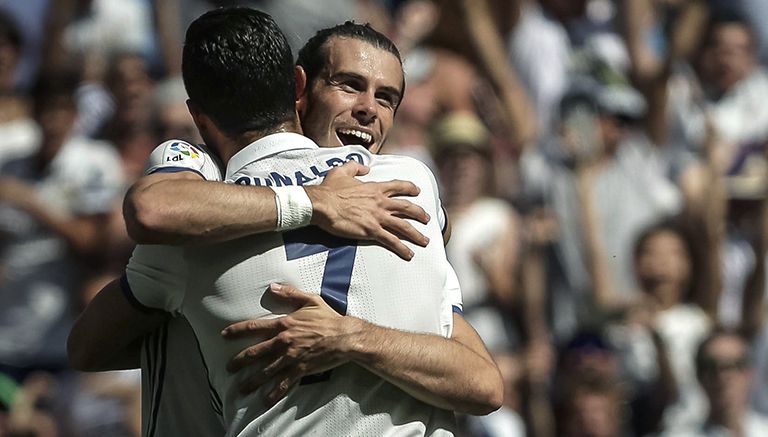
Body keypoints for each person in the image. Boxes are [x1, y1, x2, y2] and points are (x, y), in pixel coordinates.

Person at [70, 8, 501, 436]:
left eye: (386, 97)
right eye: (349, 86)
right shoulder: (409, 184)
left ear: (198, 113)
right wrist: (313, 202)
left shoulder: (403, 193)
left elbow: (482, 382)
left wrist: (350, 337)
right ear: (300, 89)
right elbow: (154, 210)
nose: (368, 108)